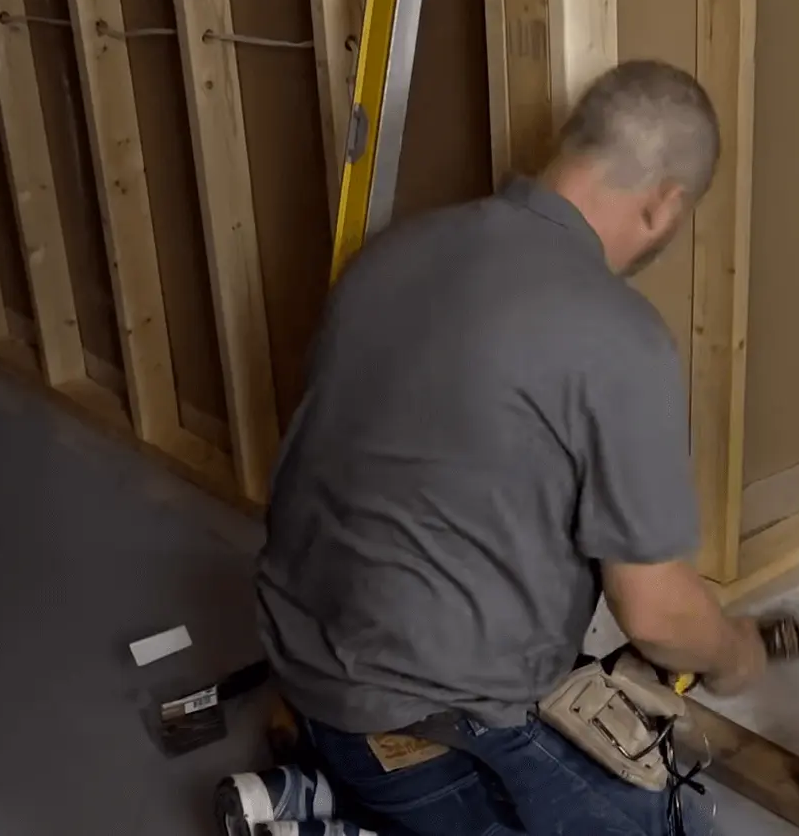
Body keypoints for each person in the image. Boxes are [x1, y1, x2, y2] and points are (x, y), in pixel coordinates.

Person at [255, 59, 771, 836]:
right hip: (418, 732)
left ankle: (321, 799)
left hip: (302, 669)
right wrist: (733, 654)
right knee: (672, 824)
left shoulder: (393, 252)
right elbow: (657, 614)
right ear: (665, 205)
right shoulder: (618, 338)